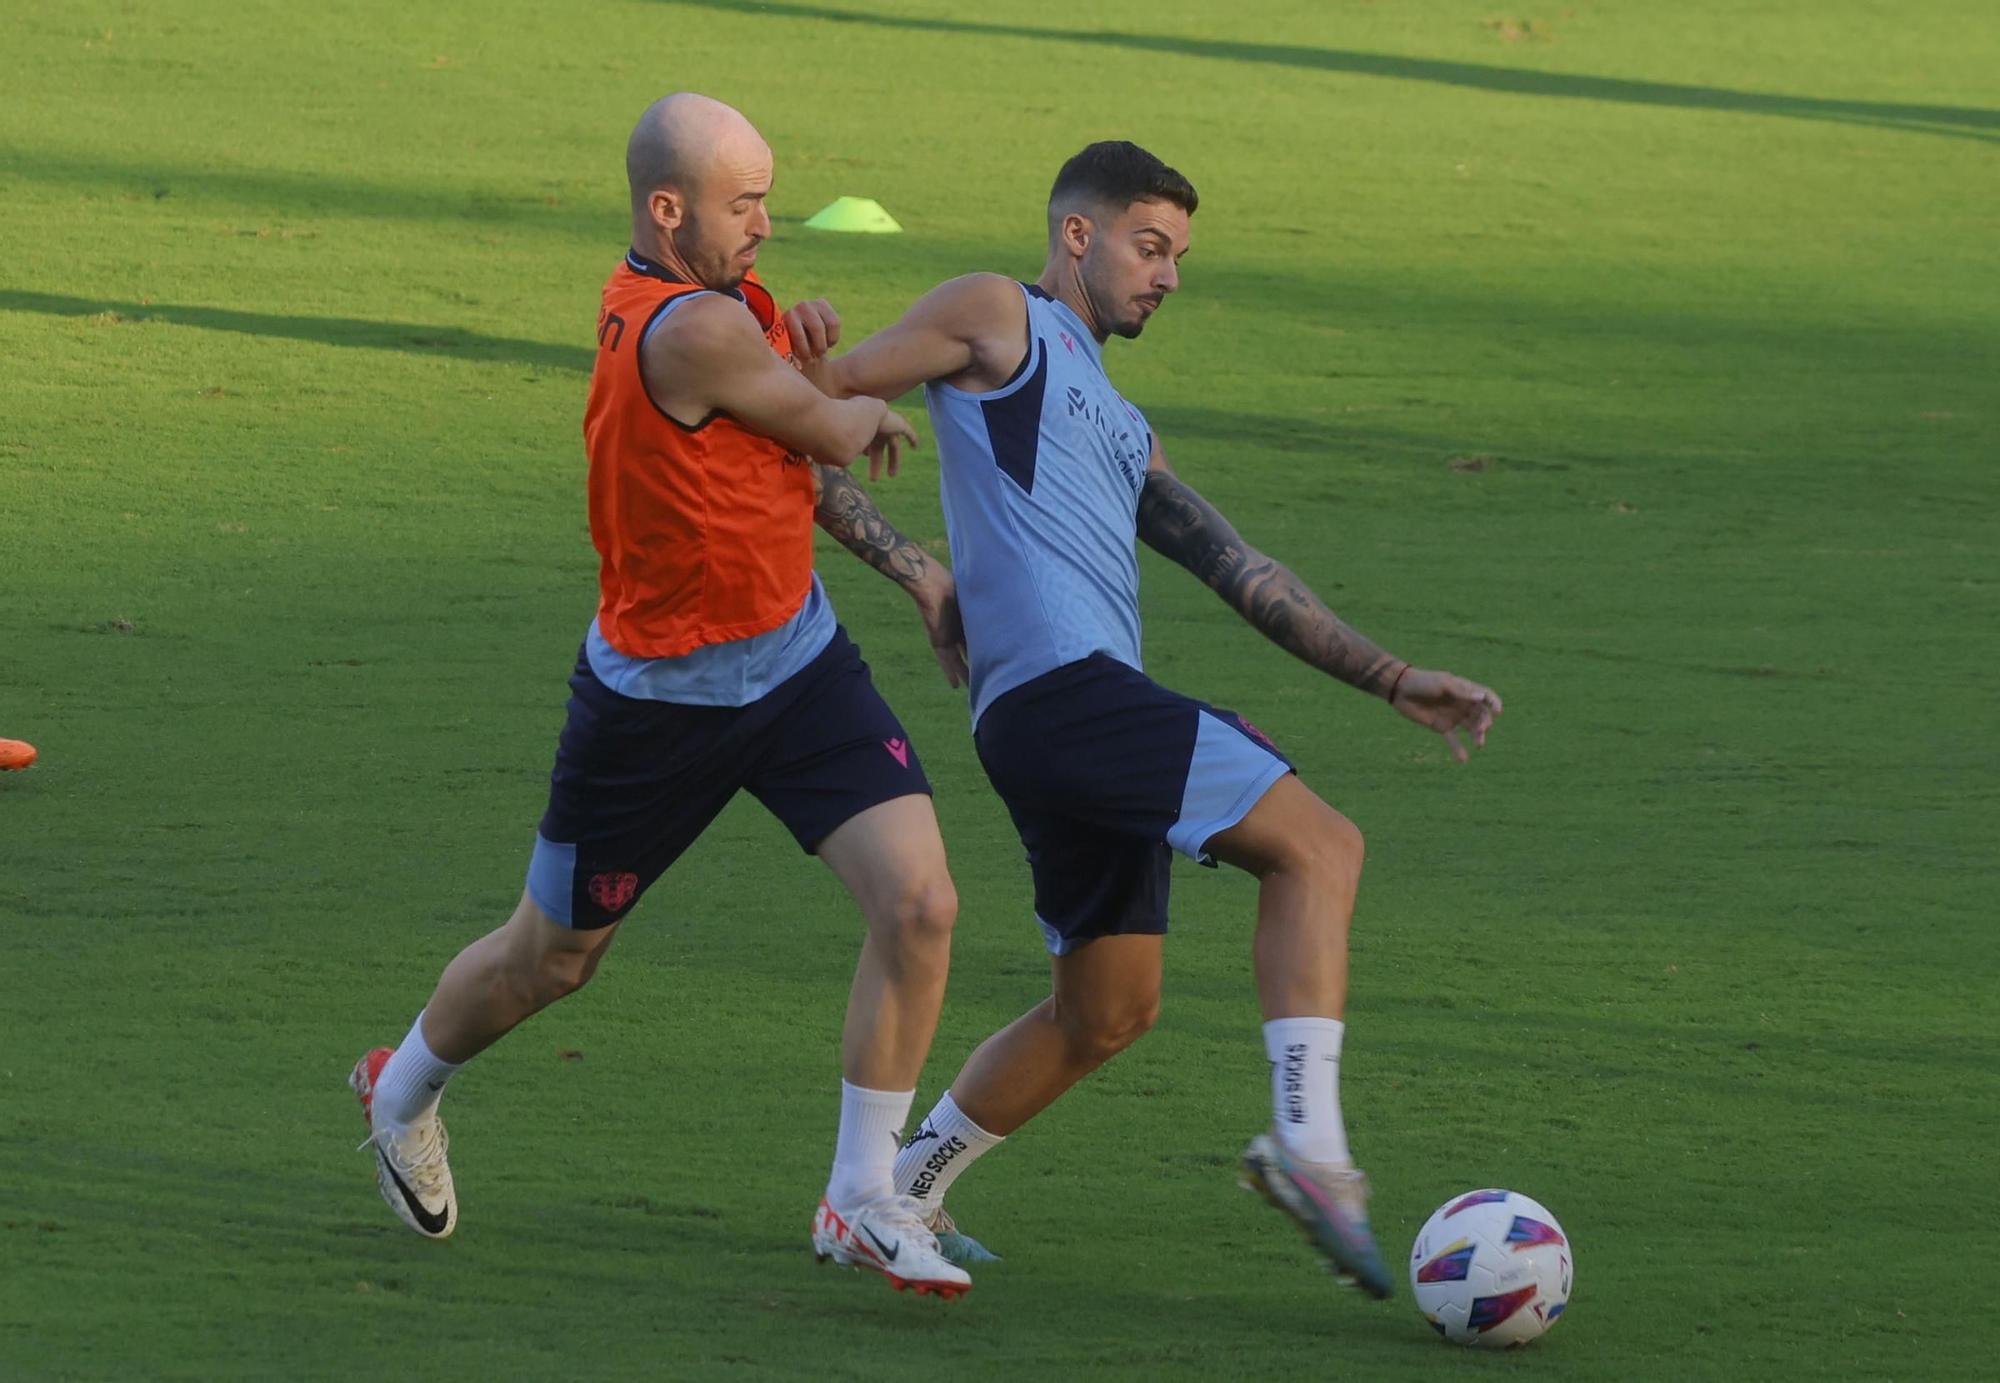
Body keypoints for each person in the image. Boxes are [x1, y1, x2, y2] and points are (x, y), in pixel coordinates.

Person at [799, 140, 1503, 1298]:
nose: (1167, 274)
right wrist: (917, 570)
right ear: (1076, 234)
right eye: (1149, 245)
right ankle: (1309, 1148)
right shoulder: (993, 316)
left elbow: (1240, 570)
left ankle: (893, 1192)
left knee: (1108, 1009)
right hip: (1066, 700)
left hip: (1055, 722)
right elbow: (798, 407)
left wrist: (1388, 676)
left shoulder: (1124, 426)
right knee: (1322, 848)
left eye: (1177, 253)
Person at [348, 93, 976, 1300]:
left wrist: (911, 572)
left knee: (921, 905)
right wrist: (843, 394)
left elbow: (790, 453)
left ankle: (859, 1199)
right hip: (656, 706)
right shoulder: (679, 328)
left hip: (795, 666)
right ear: (666, 208)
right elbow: (826, 429)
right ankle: (404, 1086)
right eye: (745, 203)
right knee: (552, 961)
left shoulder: (732, 303)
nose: (768, 222)